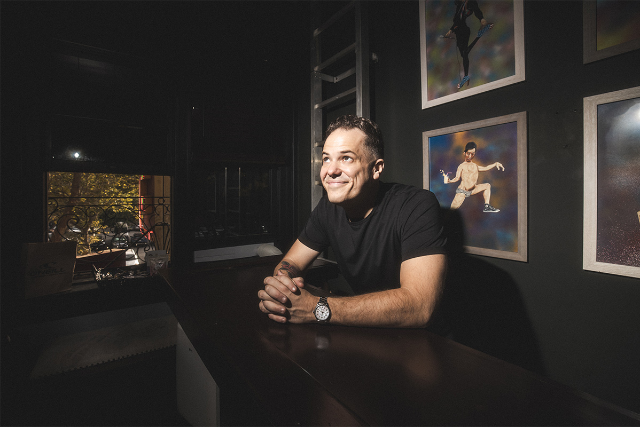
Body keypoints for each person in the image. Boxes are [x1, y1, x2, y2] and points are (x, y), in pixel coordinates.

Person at [258, 115, 447, 328]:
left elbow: (419, 306)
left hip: (426, 338)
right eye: (326, 158)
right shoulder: (327, 208)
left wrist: (315, 308)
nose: (330, 171)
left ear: (376, 168)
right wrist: (282, 289)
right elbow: (291, 263)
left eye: (346, 158)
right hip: (365, 329)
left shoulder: (416, 205)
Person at [444, 0, 493, 89]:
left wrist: (481, 19)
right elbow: (457, 19)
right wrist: (451, 30)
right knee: (464, 54)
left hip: (464, 30)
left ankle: (466, 76)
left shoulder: (471, 3)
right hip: (458, 31)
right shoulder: (460, 5)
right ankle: (479, 35)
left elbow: (477, 10)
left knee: (464, 53)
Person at [440, 141, 503, 212]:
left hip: (473, 190)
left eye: (472, 154)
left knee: (487, 186)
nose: (470, 156)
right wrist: (449, 181)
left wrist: (495, 164)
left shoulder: (475, 166)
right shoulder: (461, 166)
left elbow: (486, 168)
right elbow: (457, 178)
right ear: (464, 153)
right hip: (462, 191)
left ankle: (487, 206)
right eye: (468, 153)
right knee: (451, 211)